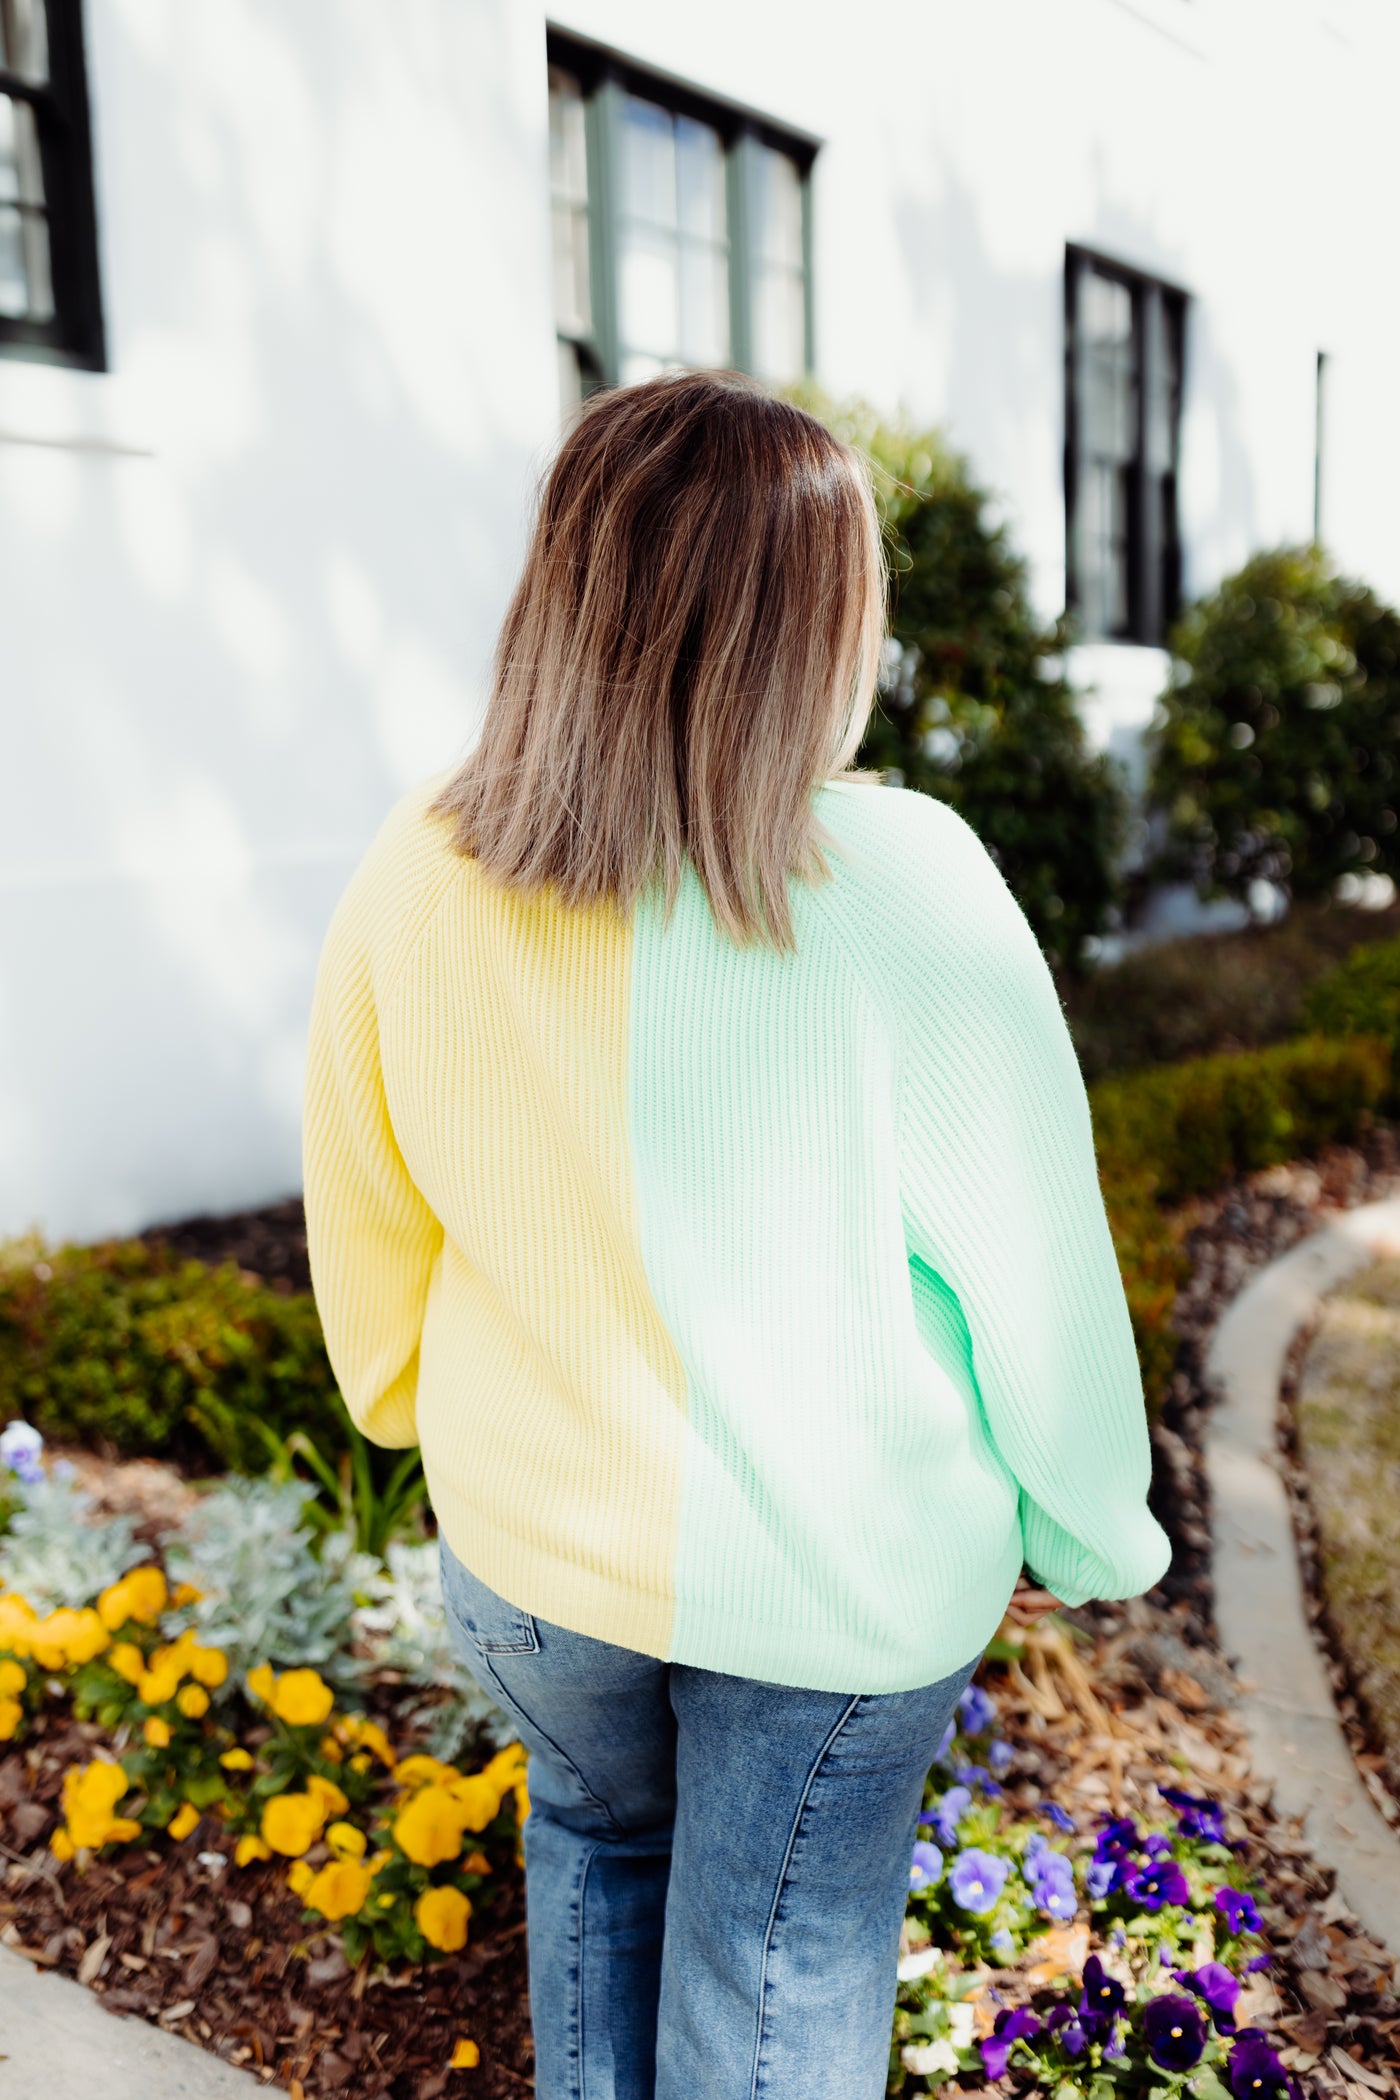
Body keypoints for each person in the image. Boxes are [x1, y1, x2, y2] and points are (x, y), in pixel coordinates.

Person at [302, 369, 1170, 2099]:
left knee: (594, 1850)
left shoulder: (420, 860)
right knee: (774, 1962)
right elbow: (1038, 1267)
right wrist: (1095, 1528)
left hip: (533, 1554)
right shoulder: (909, 881)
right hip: (837, 1585)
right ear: (821, 626)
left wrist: (401, 1399)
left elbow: (363, 1189)